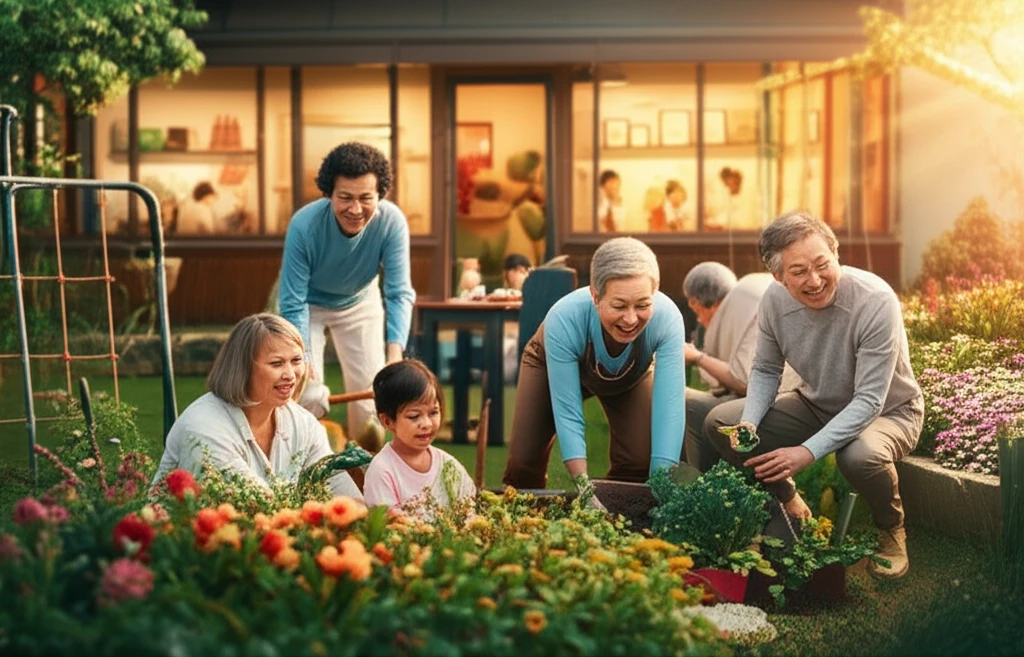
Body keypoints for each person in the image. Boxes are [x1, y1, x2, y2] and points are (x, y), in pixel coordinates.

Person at [704, 211, 923, 579]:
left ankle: (891, 529)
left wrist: (806, 452)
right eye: (800, 271)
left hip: (889, 411)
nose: (816, 280)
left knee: (859, 456)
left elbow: (869, 400)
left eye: (823, 264)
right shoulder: (774, 301)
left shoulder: (875, 300)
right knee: (722, 422)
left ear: (836, 255)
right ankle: (788, 502)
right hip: (816, 403)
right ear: (778, 277)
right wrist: (750, 423)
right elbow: (766, 369)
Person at [502, 237, 686, 500]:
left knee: (638, 459)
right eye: (619, 306)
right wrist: (584, 487)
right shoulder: (564, 318)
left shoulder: (667, 320)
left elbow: (670, 407)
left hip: (629, 373)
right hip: (547, 363)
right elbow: (568, 412)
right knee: (524, 461)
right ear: (595, 295)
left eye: (643, 305)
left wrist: (660, 491)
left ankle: (618, 513)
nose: (631, 319)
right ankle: (522, 519)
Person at [278, 142, 417, 439]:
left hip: (360, 302)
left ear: (380, 194)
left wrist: (395, 352)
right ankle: (307, 469)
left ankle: (365, 475)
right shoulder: (304, 225)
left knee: (371, 400)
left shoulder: (391, 223)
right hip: (308, 306)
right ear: (328, 193)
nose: (355, 209)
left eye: (366, 198)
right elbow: (293, 301)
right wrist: (305, 358)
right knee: (309, 394)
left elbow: (399, 292)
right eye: (345, 198)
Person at [151, 313, 363, 500]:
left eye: (296, 360)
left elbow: (342, 492)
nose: (290, 375)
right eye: (276, 363)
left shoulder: (303, 423)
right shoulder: (204, 428)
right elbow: (253, 505)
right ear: (243, 368)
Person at [681, 262, 801, 471]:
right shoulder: (747, 296)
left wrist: (698, 357)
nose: (699, 319)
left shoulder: (748, 306)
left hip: (776, 404)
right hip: (783, 398)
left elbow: (745, 382)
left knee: (684, 401)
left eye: (697, 311)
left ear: (697, 302)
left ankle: (699, 482)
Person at [362, 359, 476, 514]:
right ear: (388, 421)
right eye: (414, 416)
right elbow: (389, 527)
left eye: (433, 412)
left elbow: (469, 513)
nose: (426, 424)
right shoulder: (382, 471)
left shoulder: (449, 466)